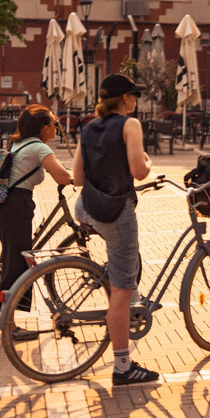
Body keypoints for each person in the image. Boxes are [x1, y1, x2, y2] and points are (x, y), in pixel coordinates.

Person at [71, 74, 159, 386]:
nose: (136, 100)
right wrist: (147, 161)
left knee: (124, 259)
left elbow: (77, 178)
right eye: (135, 95)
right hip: (115, 213)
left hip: (86, 208)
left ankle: (130, 295)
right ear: (125, 99)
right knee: (119, 291)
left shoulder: (88, 127)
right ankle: (123, 366)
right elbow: (139, 171)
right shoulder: (130, 125)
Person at [0, 104, 72, 340]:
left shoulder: (19, 144)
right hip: (15, 208)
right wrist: (77, 179)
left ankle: (3, 293)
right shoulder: (39, 147)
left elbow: (55, 168)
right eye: (54, 123)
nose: (56, 127)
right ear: (45, 128)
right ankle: (10, 326)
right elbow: (62, 177)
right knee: (17, 264)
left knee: (11, 258)